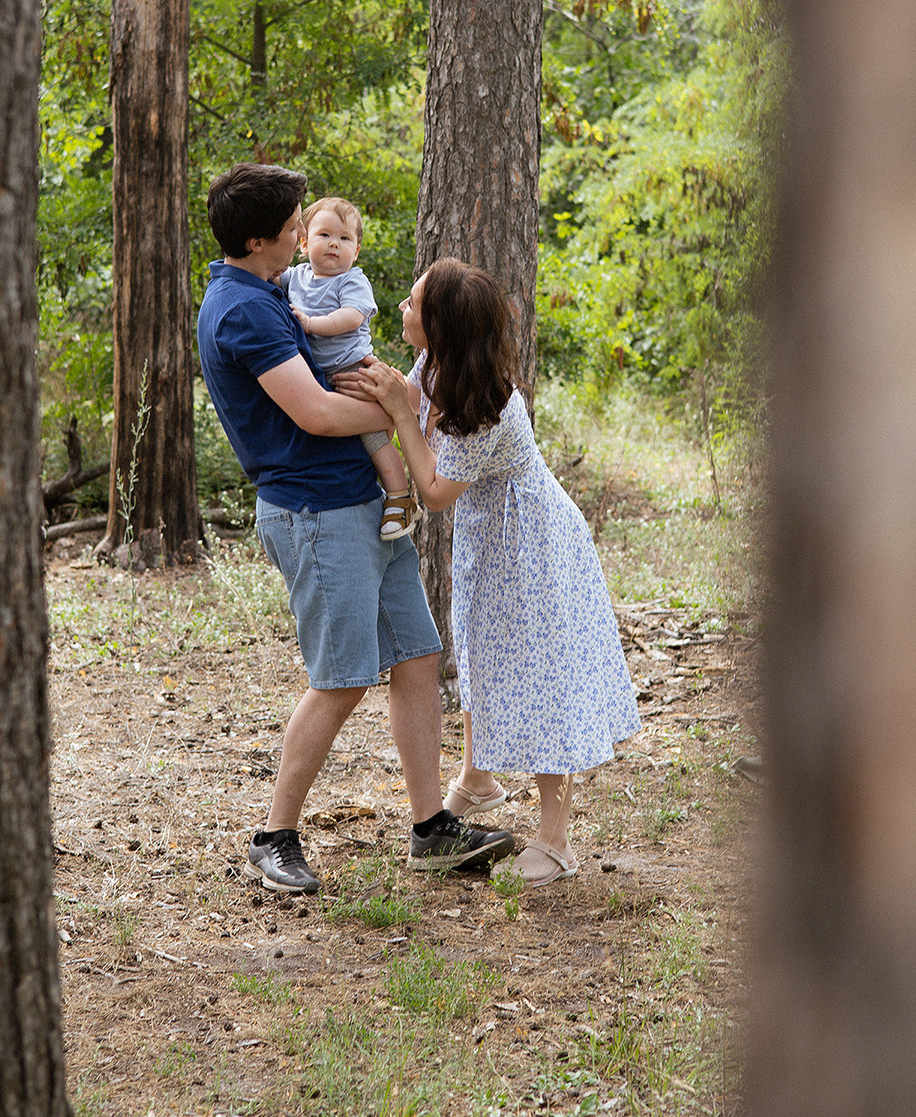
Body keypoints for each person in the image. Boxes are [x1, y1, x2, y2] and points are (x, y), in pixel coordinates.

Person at [196, 164, 515, 894]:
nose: (302, 231)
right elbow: (316, 412)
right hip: (316, 513)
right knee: (340, 681)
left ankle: (432, 828)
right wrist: (408, 411)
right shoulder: (242, 310)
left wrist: (405, 411)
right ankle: (275, 835)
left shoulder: (271, 289)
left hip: (363, 502)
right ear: (260, 238)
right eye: (292, 224)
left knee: (416, 659)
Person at [349, 258, 642, 888]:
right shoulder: (436, 367)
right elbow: (414, 410)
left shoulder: (489, 409)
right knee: (482, 656)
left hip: (532, 544)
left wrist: (401, 413)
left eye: (414, 303)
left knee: (540, 674)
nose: (402, 306)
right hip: (491, 539)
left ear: (442, 327)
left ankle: (556, 840)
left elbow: (432, 490)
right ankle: (476, 782)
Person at [280, 195, 417, 541]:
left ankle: (400, 500)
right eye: (325, 235)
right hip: (319, 378)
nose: (334, 244)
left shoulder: (351, 281)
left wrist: (310, 323)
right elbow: (262, 280)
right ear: (304, 241)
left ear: (355, 252)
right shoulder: (294, 277)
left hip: (355, 371)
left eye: (345, 239)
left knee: (373, 440)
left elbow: (350, 317)